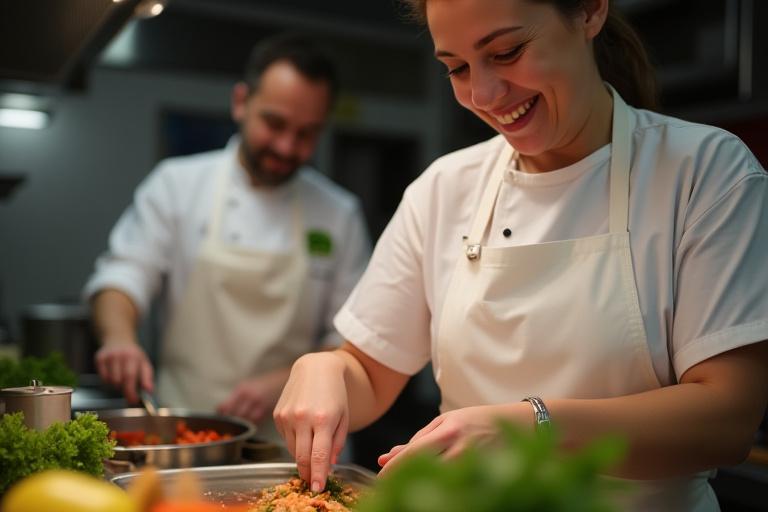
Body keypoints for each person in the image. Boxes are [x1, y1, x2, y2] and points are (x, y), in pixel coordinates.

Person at [273, 1, 768, 510]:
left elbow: (726, 419)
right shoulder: (444, 189)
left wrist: (531, 427)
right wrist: (327, 368)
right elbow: (370, 374)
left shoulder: (705, 174)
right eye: (457, 68)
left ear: (590, 12)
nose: (483, 94)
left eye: (507, 52)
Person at [84, 34, 371, 443]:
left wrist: (281, 381)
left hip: (294, 445)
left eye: (307, 134)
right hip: (182, 432)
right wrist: (119, 338)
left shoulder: (339, 214)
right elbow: (123, 276)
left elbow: (351, 339)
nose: (287, 146)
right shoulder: (176, 185)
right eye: (274, 123)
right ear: (241, 102)